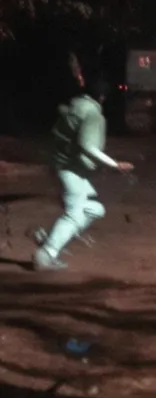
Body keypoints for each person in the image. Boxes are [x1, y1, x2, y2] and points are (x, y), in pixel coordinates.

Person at [33, 72, 134, 271]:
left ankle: (49, 238)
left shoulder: (74, 105)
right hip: (70, 170)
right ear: (103, 97)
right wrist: (114, 164)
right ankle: (46, 254)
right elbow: (88, 145)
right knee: (74, 215)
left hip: (59, 166)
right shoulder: (93, 113)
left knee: (95, 209)